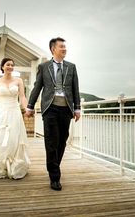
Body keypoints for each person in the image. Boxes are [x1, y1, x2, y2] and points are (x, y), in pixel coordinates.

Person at [25, 37, 81, 191]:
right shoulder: (44, 67)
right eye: (61, 47)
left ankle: (54, 166)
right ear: (53, 49)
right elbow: (37, 87)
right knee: (51, 142)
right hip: (50, 108)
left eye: (65, 47)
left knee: (62, 141)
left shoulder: (71, 67)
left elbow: (75, 88)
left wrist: (77, 108)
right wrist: (30, 106)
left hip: (66, 109)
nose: (65, 49)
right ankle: (54, 177)